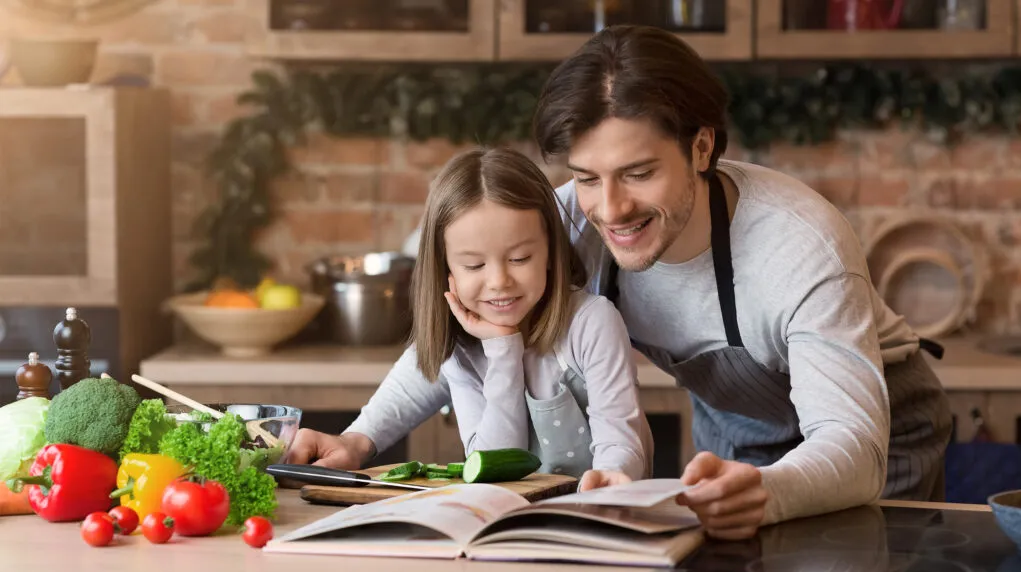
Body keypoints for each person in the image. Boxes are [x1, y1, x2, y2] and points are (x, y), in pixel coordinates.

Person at [285, 25, 952, 540]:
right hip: (738, 429)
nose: (610, 208)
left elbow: (852, 448)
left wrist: (772, 492)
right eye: (586, 176)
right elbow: (465, 325)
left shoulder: (799, 247)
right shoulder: (570, 221)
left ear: (700, 146)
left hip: (880, 430)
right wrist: (360, 438)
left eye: (638, 172)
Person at [333, 146, 655, 485]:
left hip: (597, 519)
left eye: (519, 258)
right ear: (446, 269)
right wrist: (503, 349)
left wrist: (611, 477)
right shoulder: (460, 349)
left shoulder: (591, 323)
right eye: (474, 265)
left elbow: (621, 441)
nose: (500, 282)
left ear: (549, 251)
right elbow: (491, 467)